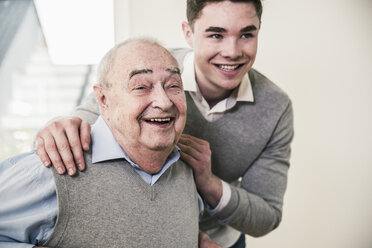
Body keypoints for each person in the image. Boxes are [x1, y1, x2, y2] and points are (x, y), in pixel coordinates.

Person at [35, 0, 294, 247]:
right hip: (138, 229)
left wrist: (208, 182)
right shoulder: (149, 67)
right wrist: (61, 124)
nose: (232, 51)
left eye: (247, 35)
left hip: (220, 240)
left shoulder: (276, 108)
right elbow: (87, 119)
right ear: (188, 33)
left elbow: (267, 217)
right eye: (216, 35)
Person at [0, 38, 207, 248]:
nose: (164, 102)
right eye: (141, 87)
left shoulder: (186, 173)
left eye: (173, 85)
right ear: (103, 100)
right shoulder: (51, 173)